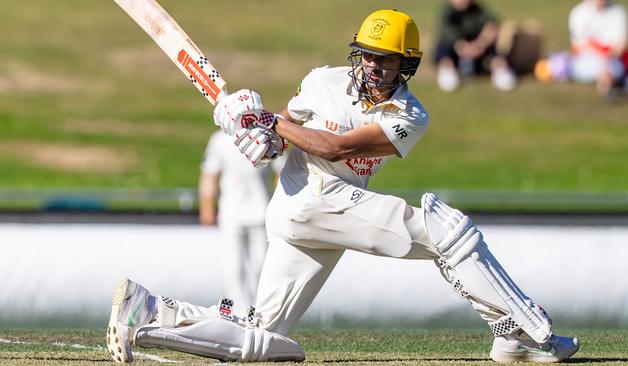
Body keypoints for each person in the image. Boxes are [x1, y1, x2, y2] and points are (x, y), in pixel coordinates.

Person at [106, 9, 579, 363]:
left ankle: (148, 315)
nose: (373, 66)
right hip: (303, 201)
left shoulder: (409, 115)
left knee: (264, 339)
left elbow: (335, 148)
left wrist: (268, 120)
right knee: (444, 229)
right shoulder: (320, 81)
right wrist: (254, 133)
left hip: (323, 210)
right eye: (367, 56)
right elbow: (280, 139)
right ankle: (519, 333)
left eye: (385, 60)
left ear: (406, 64)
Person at [198, 130, 284, 313]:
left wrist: (280, 205)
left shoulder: (265, 136)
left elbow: (281, 171)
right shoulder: (220, 140)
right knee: (234, 267)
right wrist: (207, 207)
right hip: (231, 213)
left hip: (261, 212)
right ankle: (240, 314)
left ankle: (264, 313)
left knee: (263, 265)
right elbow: (209, 173)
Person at [536, 0, 628, 101]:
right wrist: (603, 62)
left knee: (616, 67)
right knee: (601, 68)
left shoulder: (618, 12)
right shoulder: (579, 12)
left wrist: (607, 60)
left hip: (613, 58)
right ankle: (618, 84)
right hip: (587, 59)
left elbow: (621, 44)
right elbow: (580, 45)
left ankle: (610, 86)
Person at [434, 0, 517, 92]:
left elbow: (492, 25)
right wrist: (462, 46)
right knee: (443, 45)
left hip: (478, 50)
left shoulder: (477, 10)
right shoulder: (447, 12)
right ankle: (447, 69)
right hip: (456, 51)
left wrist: (480, 44)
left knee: (493, 49)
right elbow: (446, 32)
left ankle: (500, 69)